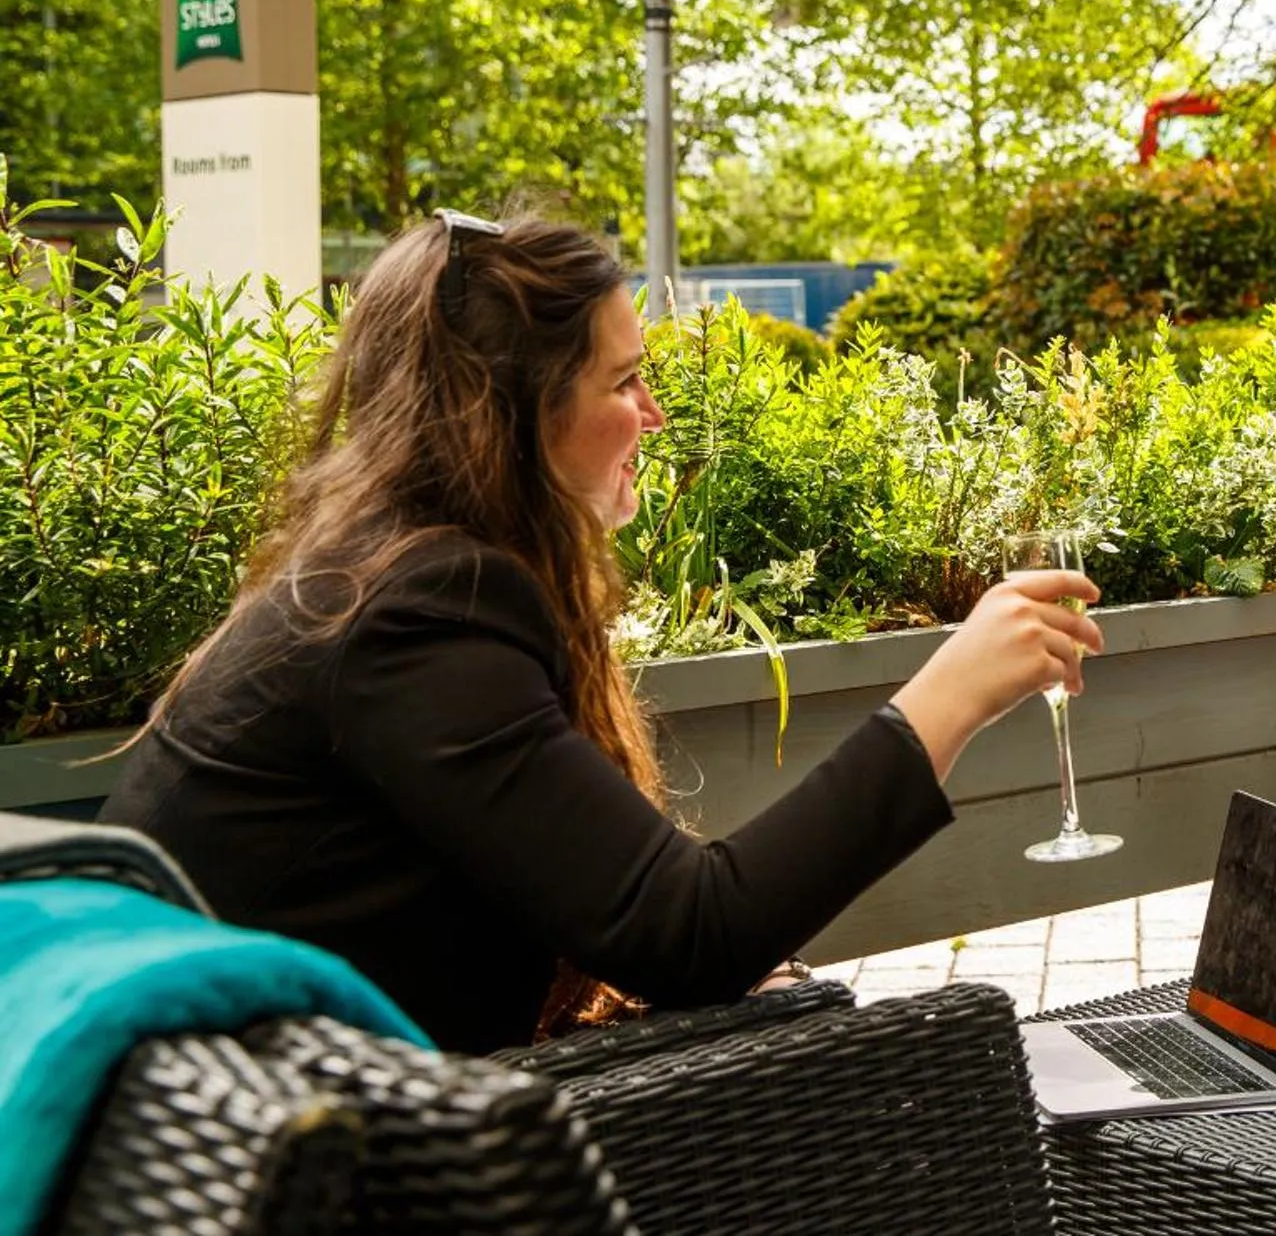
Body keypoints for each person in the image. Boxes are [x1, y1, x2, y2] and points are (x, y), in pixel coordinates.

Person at [100, 212, 1099, 1054]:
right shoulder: (421, 611)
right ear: (513, 415)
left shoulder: (375, 572)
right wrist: (952, 691)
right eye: (623, 381)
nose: (652, 414)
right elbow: (688, 929)